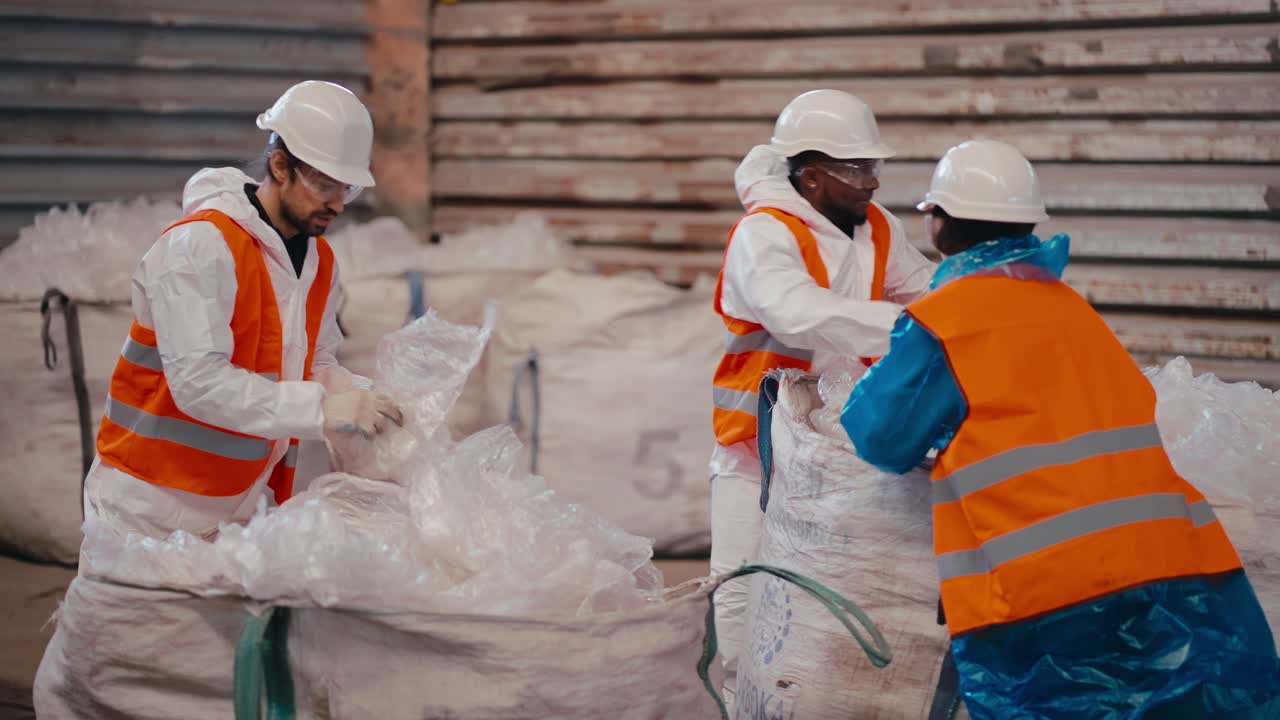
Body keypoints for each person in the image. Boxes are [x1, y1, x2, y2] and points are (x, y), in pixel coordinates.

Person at [841, 139, 1280, 718]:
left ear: (942, 224)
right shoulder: (1069, 307)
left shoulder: (945, 321)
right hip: (1171, 566)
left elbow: (880, 437)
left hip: (1044, 590)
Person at [85, 80, 401, 541]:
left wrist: (366, 400)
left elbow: (312, 361)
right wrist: (322, 410)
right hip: (145, 512)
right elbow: (198, 381)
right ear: (280, 166)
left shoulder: (318, 261)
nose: (337, 202)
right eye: (327, 184)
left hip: (238, 509)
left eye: (347, 188)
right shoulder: (200, 247)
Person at [709, 89, 936, 702]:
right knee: (740, 590)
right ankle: (742, 706)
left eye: (874, 167)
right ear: (811, 177)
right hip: (754, 452)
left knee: (829, 597)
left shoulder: (877, 228)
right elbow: (795, 314)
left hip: (837, 452)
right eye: (857, 169)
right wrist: (905, 328)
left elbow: (929, 292)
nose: (872, 181)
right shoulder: (765, 234)